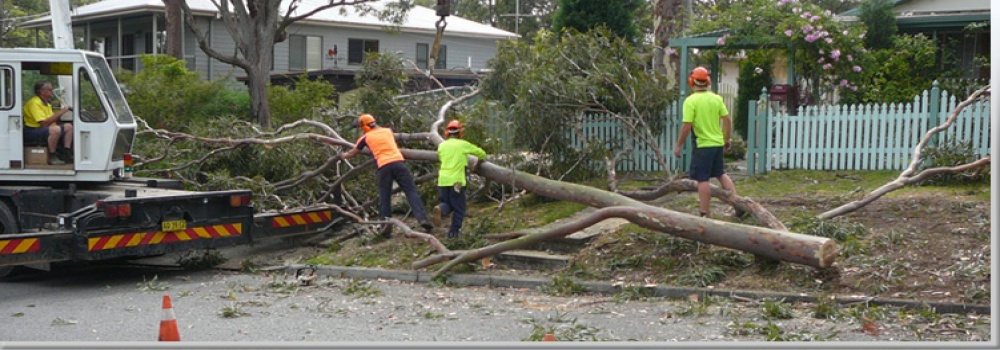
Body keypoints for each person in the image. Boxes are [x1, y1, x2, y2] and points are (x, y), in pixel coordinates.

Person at [340, 113, 434, 233]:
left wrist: (342, 156)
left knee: (385, 197)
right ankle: (422, 219)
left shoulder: (365, 138)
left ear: (363, 126)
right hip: (399, 163)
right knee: (411, 191)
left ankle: (386, 227)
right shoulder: (387, 131)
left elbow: (353, 153)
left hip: (384, 166)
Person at [673, 67, 741, 219]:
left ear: (692, 81)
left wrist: (678, 145)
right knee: (720, 173)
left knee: (702, 179)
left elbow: (687, 125)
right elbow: (727, 119)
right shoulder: (716, 98)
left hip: (703, 145)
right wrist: (726, 139)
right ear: (708, 82)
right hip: (717, 144)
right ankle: (738, 204)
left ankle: (704, 214)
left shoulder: (691, 101)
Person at [432, 120, 487, 239]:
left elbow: (441, 157)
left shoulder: (442, 146)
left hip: (443, 180)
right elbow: (482, 154)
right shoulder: (463, 144)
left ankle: (440, 208)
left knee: (448, 203)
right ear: (460, 133)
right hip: (457, 181)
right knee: (459, 207)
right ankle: (453, 233)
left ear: (447, 133)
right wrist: (477, 165)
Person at [23, 81, 73, 165]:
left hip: (42, 129)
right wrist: (61, 112)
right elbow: (44, 123)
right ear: (42, 91)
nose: (52, 91)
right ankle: (52, 156)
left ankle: (66, 153)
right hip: (32, 130)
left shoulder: (47, 103)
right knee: (55, 130)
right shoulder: (34, 103)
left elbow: (52, 119)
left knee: (68, 127)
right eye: (50, 89)